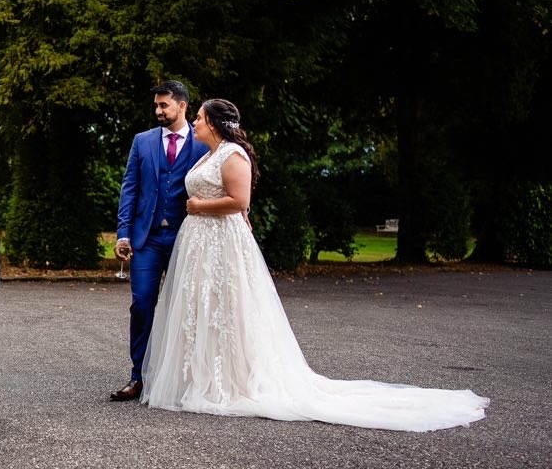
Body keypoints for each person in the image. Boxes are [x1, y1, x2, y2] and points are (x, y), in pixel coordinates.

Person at [140, 99, 489, 431]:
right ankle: (200, 377)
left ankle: (229, 382)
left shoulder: (233, 154)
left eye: (200, 117)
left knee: (228, 310)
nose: (196, 122)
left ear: (214, 123)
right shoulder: (209, 154)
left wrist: (200, 207)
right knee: (202, 308)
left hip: (221, 243)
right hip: (201, 243)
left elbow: (239, 200)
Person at [110, 80, 210, 401]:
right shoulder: (142, 142)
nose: (158, 111)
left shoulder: (202, 143)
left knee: (188, 309)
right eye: (156, 105)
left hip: (187, 237)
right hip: (147, 238)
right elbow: (130, 188)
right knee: (141, 306)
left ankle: (185, 379)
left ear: (182, 106)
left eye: (164, 105)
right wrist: (123, 232)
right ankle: (138, 376)